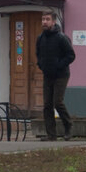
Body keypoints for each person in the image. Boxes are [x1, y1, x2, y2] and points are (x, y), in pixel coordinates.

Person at [35, 10, 75, 141]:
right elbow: (38, 55)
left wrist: (58, 65)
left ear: (53, 21)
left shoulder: (61, 37)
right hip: (48, 75)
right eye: (43, 19)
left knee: (57, 102)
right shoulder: (40, 38)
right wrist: (41, 65)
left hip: (61, 75)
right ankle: (51, 134)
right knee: (47, 105)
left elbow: (71, 55)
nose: (44, 22)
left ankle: (68, 126)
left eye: (47, 19)